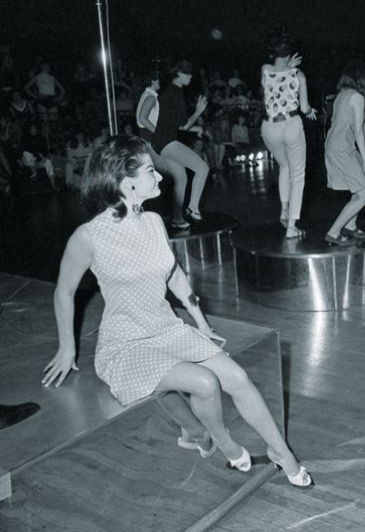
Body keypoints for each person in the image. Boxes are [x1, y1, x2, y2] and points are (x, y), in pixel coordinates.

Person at [42, 135, 312, 486]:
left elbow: (173, 274)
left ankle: (282, 452)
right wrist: (67, 348)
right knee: (204, 382)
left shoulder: (154, 221)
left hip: (166, 328)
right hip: (126, 344)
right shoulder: (89, 236)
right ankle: (224, 444)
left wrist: (200, 322)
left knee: (238, 378)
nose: (160, 176)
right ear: (126, 181)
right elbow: (64, 292)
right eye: (150, 171)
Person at [260, 29, 317, 239]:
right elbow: (304, 108)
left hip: (269, 127)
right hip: (291, 124)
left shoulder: (265, 69)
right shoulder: (299, 75)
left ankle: (284, 209)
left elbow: (277, 81)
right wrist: (311, 112)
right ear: (290, 52)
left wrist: (288, 66)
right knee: (298, 175)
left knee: (284, 166)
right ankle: (292, 227)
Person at [323, 60, 365, 246]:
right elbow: (358, 132)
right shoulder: (357, 97)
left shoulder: (342, 94)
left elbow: (363, 126)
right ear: (361, 78)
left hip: (338, 145)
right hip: (341, 148)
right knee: (364, 195)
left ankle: (350, 226)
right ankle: (333, 233)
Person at [151, 60, 210, 229]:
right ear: (179, 74)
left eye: (190, 74)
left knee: (182, 179)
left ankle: (177, 219)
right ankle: (193, 207)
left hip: (160, 141)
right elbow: (184, 126)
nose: (190, 77)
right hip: (167, 141)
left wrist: (197, 128)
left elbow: (176, 125)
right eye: (187, 74)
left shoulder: (169, 92)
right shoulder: (176, 93)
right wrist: (198, 111)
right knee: (203, 168)